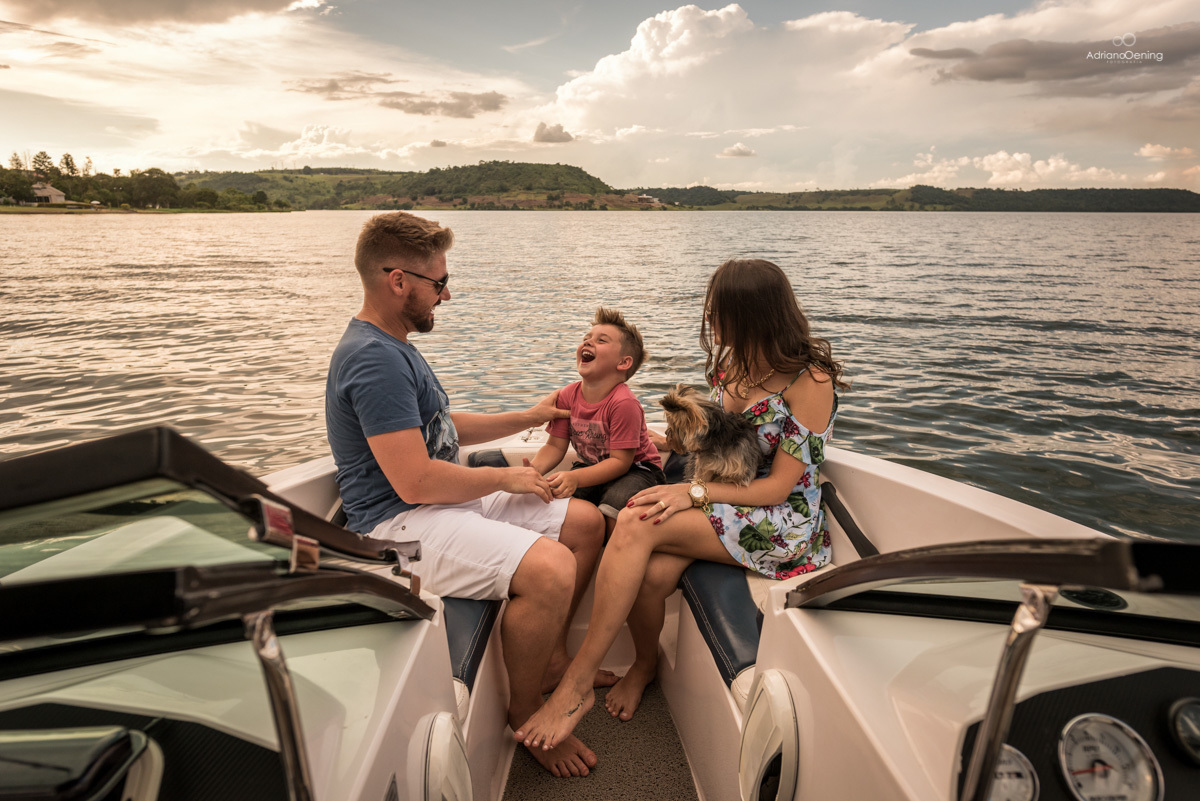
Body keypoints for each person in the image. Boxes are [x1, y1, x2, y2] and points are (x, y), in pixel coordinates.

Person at [514, 258, 847, 750]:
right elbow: (720, 441)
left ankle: (576, 682)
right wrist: (659, 444)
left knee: (638, 518)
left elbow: (778, 488)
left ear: (753, 313)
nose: (710, 322)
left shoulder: (809, 382)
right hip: (722, 495)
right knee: (648, 576)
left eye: (719, 312)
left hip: (776, 521)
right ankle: (645, 663)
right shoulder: (734, 363)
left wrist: (689, 492)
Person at [325, 211, 609, 778]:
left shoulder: (392, 344)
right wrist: (506, 477)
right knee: (551, 569)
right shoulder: (374, 358)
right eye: (438, 283)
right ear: (398, 279)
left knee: (584, 525)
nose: (446, 296)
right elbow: (416, 479)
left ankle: (552, 658)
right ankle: (526, 717)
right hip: (397, 526)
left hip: (440, 504)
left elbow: (439, 426)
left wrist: (524, 418)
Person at [528, 307, 665, 535]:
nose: (588, 343)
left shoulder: (624, 403)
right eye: (586, 338)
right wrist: (533, 471)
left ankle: (614, 553)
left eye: (601, 340)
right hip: (591, 465)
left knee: (614, 507)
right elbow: (554, 446)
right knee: (562, 507)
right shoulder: (567, 396)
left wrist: (575, 477)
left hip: (638, 469)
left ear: (623, 363)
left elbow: (620, 462)